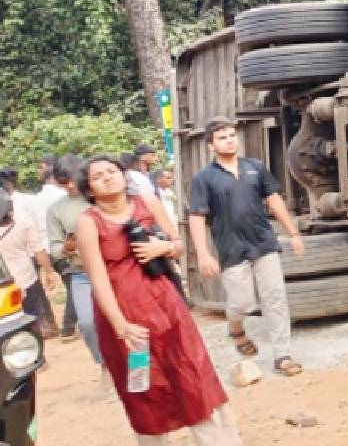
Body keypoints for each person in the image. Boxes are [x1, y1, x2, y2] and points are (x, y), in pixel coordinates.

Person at [76, 155, 242, 445]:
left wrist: (161, 247)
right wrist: (121, 326)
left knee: (191, 370)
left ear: (123, 175)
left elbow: (178, 244)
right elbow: (98, 280)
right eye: (98, 176)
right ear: (89, 189)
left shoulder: (147, 203)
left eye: (111, 171)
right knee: (142, 384)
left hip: (167, 307)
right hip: (127, 318)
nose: (107, 177)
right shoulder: (88, 222)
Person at [188, 116, 304, 377]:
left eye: (232, 136)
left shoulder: (255, 167)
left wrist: (293, 232)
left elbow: (274, 199)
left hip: (263, 242)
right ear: (211, 146)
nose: (229, 141)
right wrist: (203, 254)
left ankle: (282, 356)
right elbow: (197, 217)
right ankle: (236, 327)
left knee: (275, 298)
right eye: (222, 138)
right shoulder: (204, 179)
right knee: (242, 303)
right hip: (231, 247)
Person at [47, 155, 102, 367]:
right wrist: (66, 248)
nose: (70, 186)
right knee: (87, 323)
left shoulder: (99, 198)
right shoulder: (56, 210)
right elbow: (55, 248)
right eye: (64, 182)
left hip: (112, 268)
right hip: (81, 273)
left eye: (72, 180)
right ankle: (104, 363)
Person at [0, 189, 61, 335]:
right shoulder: (23, 223)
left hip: (4, 283)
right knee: (32, 315)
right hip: (26, 278)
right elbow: (38, 251)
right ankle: (41, 333)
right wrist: (49, 271)